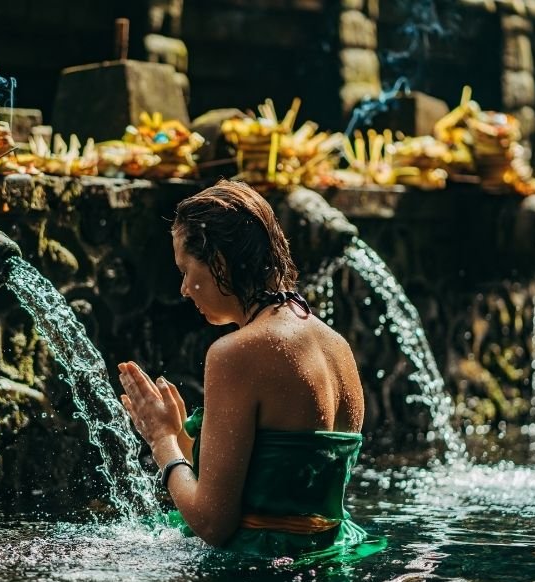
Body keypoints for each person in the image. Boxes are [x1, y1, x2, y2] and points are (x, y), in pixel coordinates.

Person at [118, 180, 384, 561]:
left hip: (259, 574)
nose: (183, 289)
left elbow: (213, 524)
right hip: (330, 563)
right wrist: (180, 437)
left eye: (185, 270)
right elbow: (274, 484)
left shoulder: (236, 353)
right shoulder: (336, 346)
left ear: (219, 264)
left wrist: (161, 442)